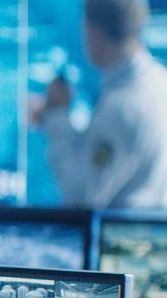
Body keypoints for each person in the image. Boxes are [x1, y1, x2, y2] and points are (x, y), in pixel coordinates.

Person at [35, 0, 167, 209]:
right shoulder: (159, 81)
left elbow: (81, 198)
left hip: (121, 239)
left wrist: (57, 118)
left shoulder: (123, 106)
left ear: (95, 32)